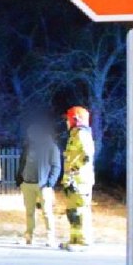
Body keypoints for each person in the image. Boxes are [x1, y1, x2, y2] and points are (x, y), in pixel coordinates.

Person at [17, 119, 62, 247]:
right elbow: (22, 163)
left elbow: (56, 166)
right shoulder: (28, 146)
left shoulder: (50, 147)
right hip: (27, 183)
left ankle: (50, 237)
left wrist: (50, 182)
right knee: (29, 212)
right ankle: (29, 236)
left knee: (47, 212)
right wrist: (19, 178)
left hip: (43, 185)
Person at [61, 106, 96, 251]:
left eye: (69, 119)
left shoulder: (82, 134)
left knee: (81, 209)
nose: (67, 122)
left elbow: (86, 156)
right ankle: (74, 239)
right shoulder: (74, 135)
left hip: (80, 180)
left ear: (75, 119)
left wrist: (74, 172)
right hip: (73, 179)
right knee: (72, 211)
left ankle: (83, 242)